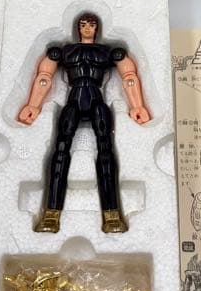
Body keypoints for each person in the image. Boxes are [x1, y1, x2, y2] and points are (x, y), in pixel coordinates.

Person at [17, 13, 151, 234]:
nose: (87, 28)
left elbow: (129, 76)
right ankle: (51, 214)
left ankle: (112, 214)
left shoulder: (107, 52)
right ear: (77, 27)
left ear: (97, 28)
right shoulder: (65, 52)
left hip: (97, 101)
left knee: (106, 151)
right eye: (83, 24)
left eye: (92, 24)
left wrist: (137, 105)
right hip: (74, 100)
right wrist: (33, 104)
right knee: (60, 150)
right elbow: (44, 76)